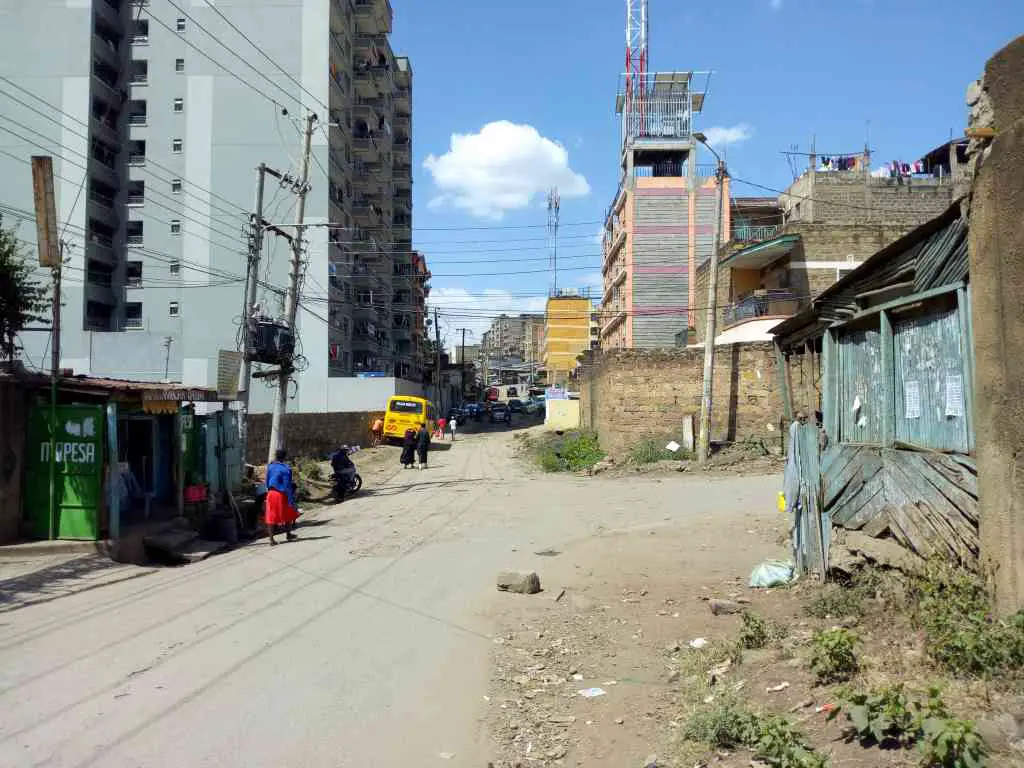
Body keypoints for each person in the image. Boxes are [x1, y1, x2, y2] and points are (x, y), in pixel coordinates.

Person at [264, 449, 298, 545]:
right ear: (284, 457)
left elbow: (266, 481)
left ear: (276, 456)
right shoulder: (286, 468)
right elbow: (287, 484)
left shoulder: (270, 467)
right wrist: (290, 497)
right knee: (288, 513)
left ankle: (271, 539)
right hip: (281, 493)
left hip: (271, 493)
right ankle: (288, 534)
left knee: (271, 516)